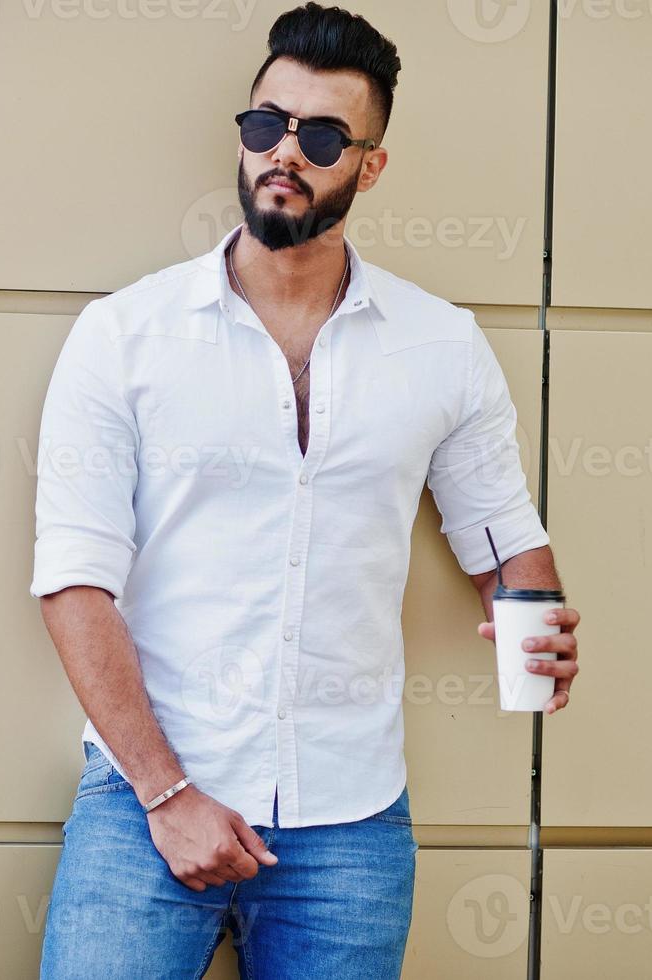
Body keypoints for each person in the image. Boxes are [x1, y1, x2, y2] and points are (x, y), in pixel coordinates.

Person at [32, 4, 580, 976]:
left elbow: (505, 542)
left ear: (369, 164)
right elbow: (75, 582)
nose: (285, 152)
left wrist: (533, 639)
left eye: (322, 135)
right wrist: (168, 795)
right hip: (144, 805)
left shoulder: (440, 345)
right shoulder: (124, 334)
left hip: (350, 824)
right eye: (265, 124)